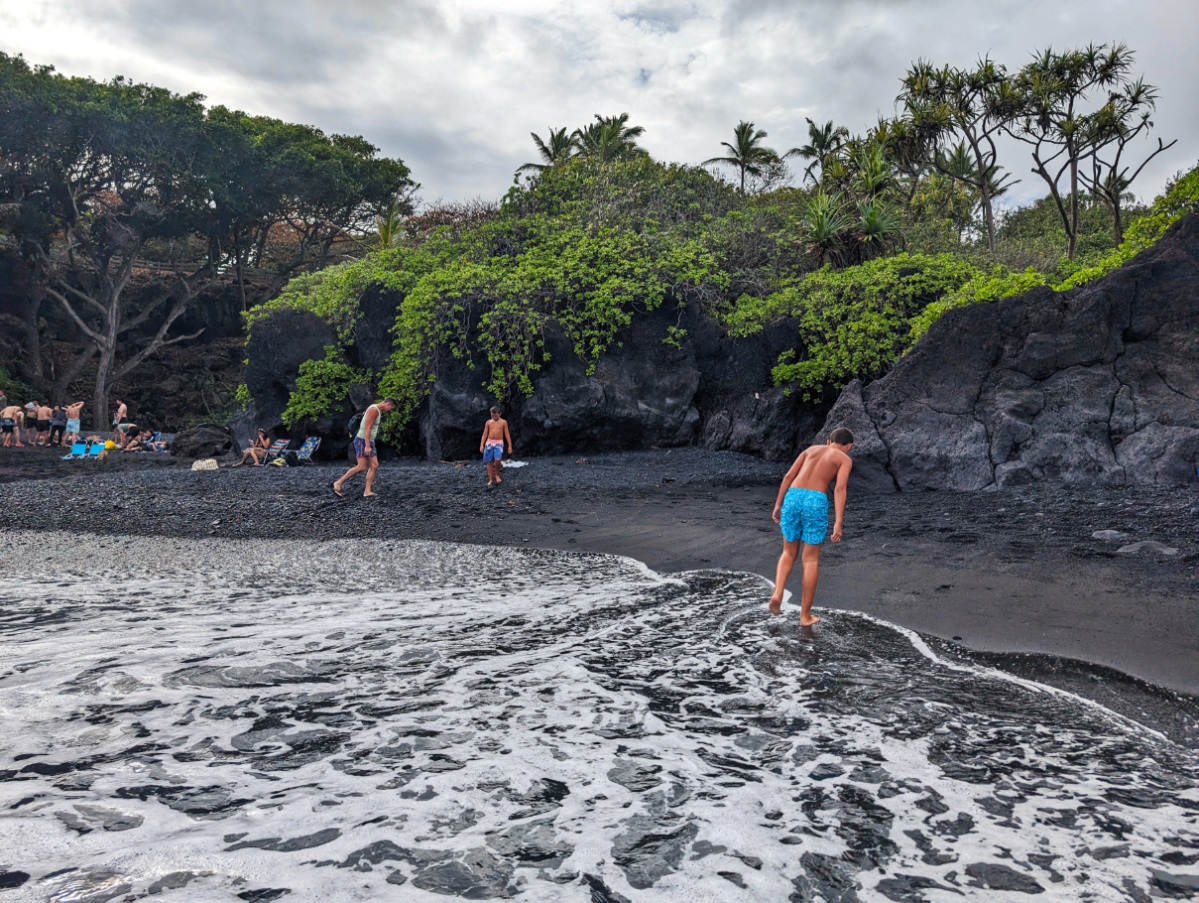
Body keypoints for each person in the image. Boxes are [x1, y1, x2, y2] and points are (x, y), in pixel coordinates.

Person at [769, 427, 854, 626]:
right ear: (848, 446)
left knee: (788, 552)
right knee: (810, 560)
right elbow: (840, 489)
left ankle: (777, 593)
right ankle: (805, 616)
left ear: (828, 441)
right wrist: (838, 522)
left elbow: (788, 477)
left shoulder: (810, 450)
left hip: (793, 495)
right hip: (814, 500)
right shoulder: (844, 459)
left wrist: (778, 505)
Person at [333, 398, 398, 498]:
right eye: (391, 407)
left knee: (374, 465)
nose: (390, 410)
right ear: (388, 404)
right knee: (361, 467)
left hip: (368, 441)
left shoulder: (376, 409)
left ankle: (367, 491)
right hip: (363, 440)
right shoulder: (374, 410)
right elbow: (367, 428)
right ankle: (338, 483)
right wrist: (367, 446)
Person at [479, 406, 513, 487]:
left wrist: (510, 446)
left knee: (497, 459)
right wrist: (481, 445)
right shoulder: (488, 422)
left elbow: (507, 434)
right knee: (489, 461)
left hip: (498, 442)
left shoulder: (503, 422)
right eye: (492, 415)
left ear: (499, 414)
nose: (494, 417)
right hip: (489, 442)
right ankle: (490, 479)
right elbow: (485, 434)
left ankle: (497, 474)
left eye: (496, 416)